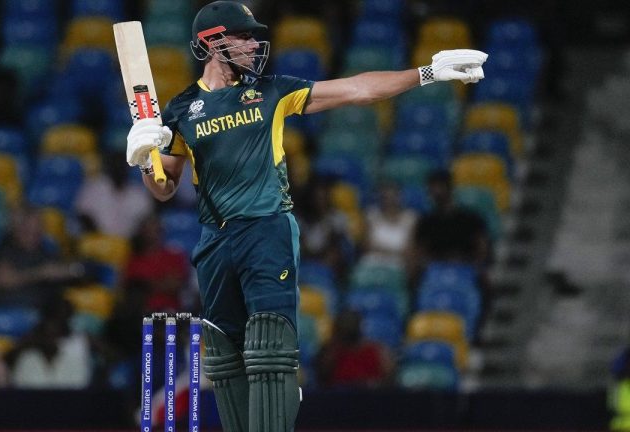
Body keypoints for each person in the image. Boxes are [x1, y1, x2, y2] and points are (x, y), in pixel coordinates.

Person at [124, 2, 487, 430]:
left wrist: (426, 73)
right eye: (244, 37)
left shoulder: (273, 91)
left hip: (267, 228)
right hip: (216, 240)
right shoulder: (181, 110)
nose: (255, 44)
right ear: (213, 43)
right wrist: (145, 157)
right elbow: (164, 190)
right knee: (224, 352)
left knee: (270, 343)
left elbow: (357, 89)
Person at [315, 310, 393, 388]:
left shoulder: (376, 351)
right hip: (337, 397)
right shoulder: (330, 352)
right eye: (345, 324)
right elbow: (322, 379)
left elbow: (387, 381)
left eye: (352, 324)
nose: (349, 327)